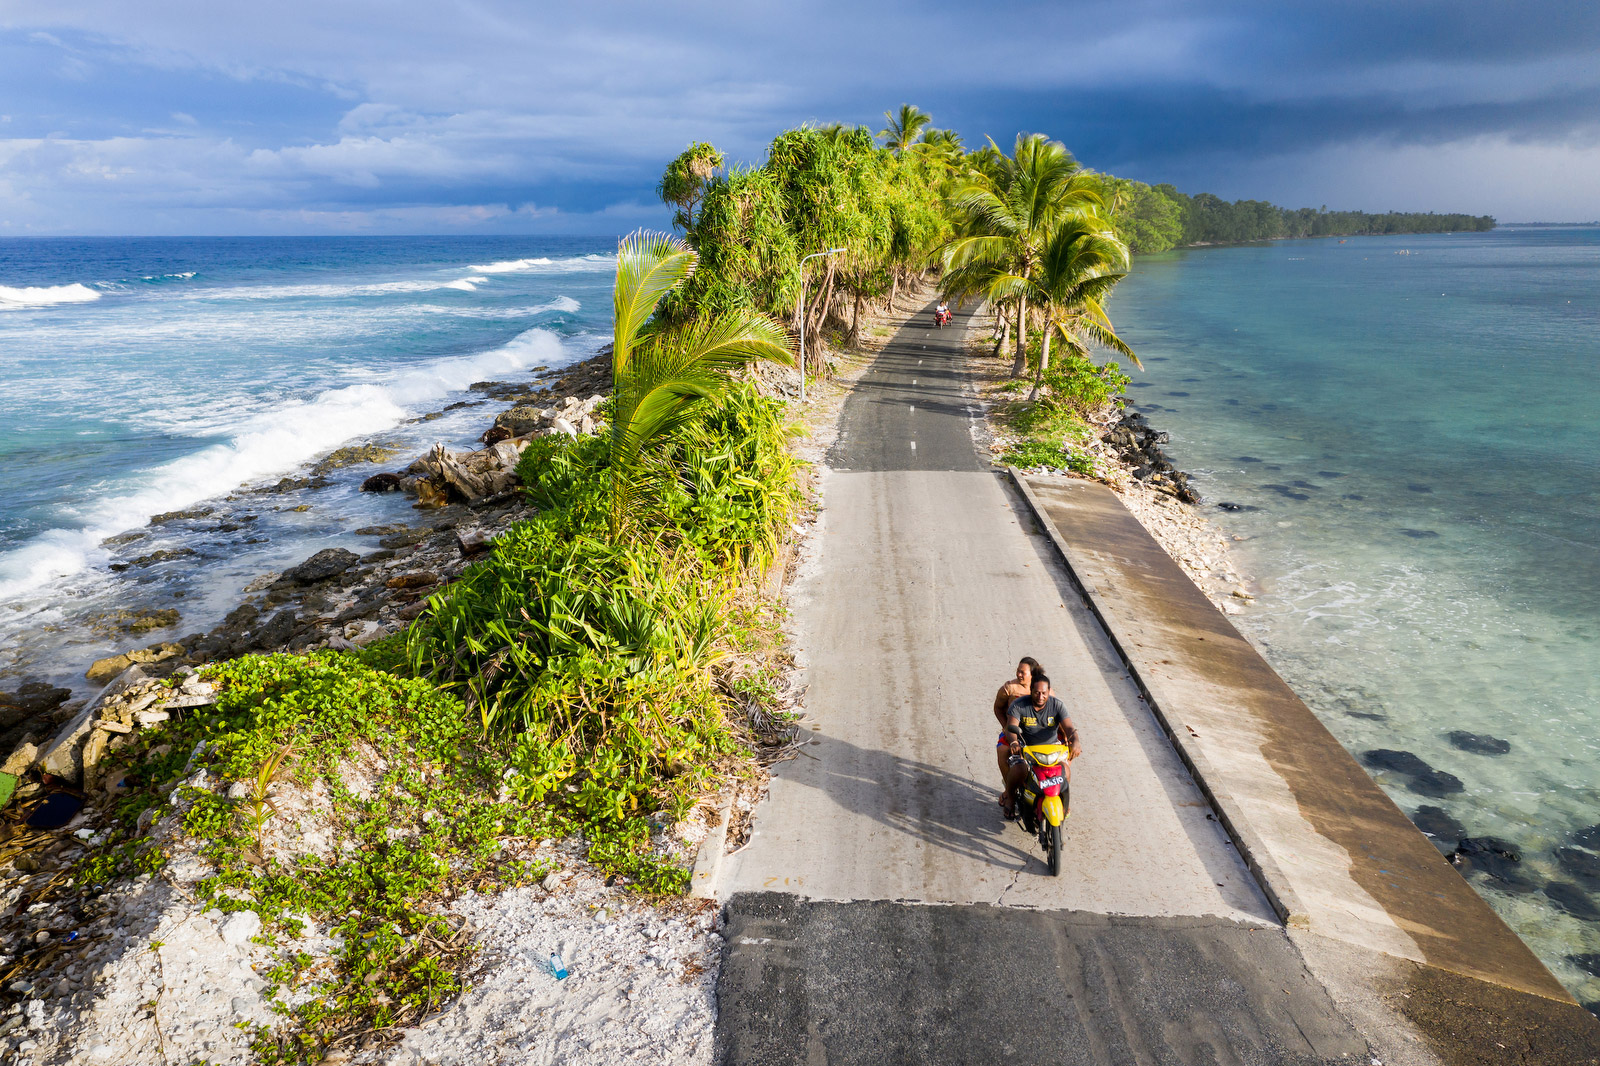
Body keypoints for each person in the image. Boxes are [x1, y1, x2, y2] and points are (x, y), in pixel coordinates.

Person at [1001, 672, 1080, 818]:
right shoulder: (1019, 705)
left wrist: (1075, 740)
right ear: (1031, 690)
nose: (1040, 696)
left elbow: (1068, 727)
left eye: (1044, 693)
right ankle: (1010, 797)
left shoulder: (1057, 705)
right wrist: (1013, 742)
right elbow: (1010, 727)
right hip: (1026, 750)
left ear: (1049, 692)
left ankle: (1063, 802)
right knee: (1019, 769)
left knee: (1065, 771)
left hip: (1052, 750)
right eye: (1036, 692)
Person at [993, 657, 1041, 806]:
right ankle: (1009, 792)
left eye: (1022, 672)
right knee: (1002, 750)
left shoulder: (1042, 688)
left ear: (1032, 674)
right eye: (1018, 671)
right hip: (1014, 732)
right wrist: (1006, 726)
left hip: (1037, 733)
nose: (1018, 674)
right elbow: (998, 708)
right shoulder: (1010, 688)